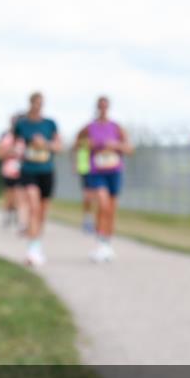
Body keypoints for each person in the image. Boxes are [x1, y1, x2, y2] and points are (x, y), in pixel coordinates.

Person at [79, 96, 133, 262]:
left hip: (114, 170)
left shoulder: (116, 127)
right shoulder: (89, 127)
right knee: (102, 204)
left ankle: (107, 243)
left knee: (111, 209)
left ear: (108, 107)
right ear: (97, 107)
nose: (103, 109)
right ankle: (100, 242)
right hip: (97, 171)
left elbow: (129, 149)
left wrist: (116, 145)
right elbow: (78, 144)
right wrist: (88, 144)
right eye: (100, 106)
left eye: (105, 106)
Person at [14, 92, 62, 267]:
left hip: (46, 170)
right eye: (36, 103)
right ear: (30, 103)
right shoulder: (22, 125)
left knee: (41, 212)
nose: (38, 106)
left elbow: (59, 146)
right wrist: (19, 150)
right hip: (29, 170)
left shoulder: (50, 124)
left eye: (41, 103)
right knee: (33, 207)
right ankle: (31, 250)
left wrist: (45, 144)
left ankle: (36, 245)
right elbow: (14, 144)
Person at [0, 113, 26, 229]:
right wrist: (11, 152)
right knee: (9, 195)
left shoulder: (25, 137)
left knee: (20, 194)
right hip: (9, 170)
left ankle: (19, 217)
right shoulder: (7, 137)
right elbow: (0, 154)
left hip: (22, 170)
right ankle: (8, 214)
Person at [73, 128, 96, 234]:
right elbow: (76, 152)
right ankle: (87, 220)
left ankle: (94, 220)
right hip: (85, 170)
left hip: (96, 170)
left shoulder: (95, 141)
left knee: (96, 197)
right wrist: (76, 165)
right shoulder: (81, 142)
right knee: (88, 196)